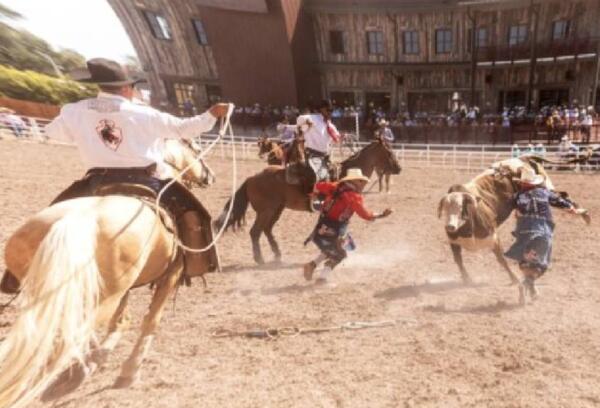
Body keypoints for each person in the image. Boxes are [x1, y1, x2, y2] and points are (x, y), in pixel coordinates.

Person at [44, 58, 230, 278]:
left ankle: (25, 272)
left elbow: (52, 132)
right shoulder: (143, 113)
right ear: (125, 87)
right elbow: (184, 129)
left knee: (51, 216)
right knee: (195, 214)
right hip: (146, 180)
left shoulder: (74, 111)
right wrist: (212, 113)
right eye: (133, 86)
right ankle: (192, 263)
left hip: (96, 181)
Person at [303, 168, 392, 284]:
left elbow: (319, 185)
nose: (362, 184)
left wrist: (315, 195)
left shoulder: (336, 186)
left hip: (321, 228)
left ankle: (312, 265)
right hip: (334, 230)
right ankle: (322, 279)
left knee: (332, 249)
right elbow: (365, 214)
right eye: (360, 181)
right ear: (354, 181)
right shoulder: (353, 196)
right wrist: (381, 215)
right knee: (340, 255)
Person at [504, 168, 578, 298]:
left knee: (526, 259)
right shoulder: (544, 192)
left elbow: (505, 208)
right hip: (541, 229)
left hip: (524, 231)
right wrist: (571, 207)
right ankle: (527, 282)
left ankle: (530, 288)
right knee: (541, 262)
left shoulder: (517, 196)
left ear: (522, 183)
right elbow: (560, 202)